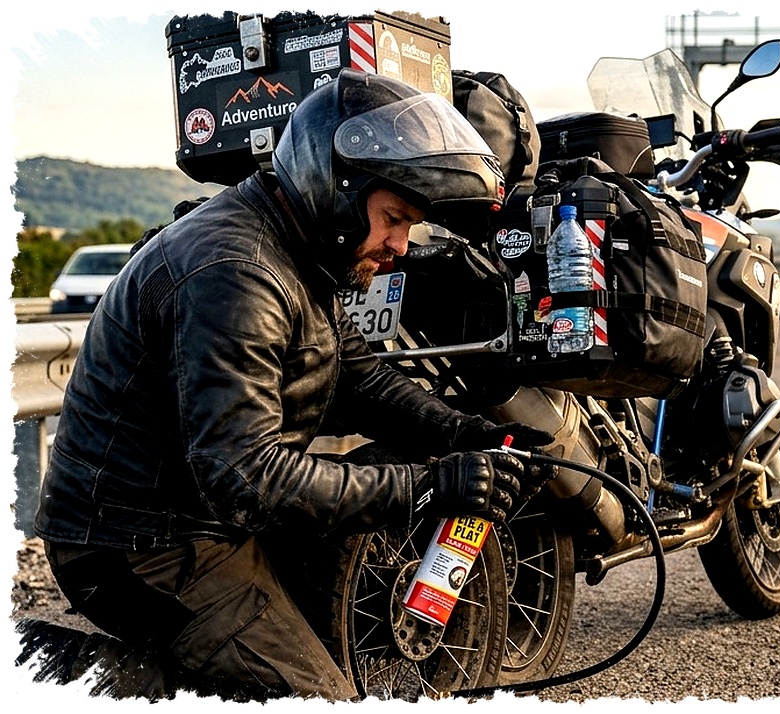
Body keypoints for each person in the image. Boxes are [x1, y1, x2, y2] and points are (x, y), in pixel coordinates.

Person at [33, 69, 555, 702]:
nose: (400, 245)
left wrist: (466, 434)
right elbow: (246, 476)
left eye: (410, 225)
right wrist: (428, 487)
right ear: (336, 189)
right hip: (142, 545)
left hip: (205, 512)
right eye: (393, 219)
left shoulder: (301, 251)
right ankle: (65, 675)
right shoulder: (240, 274)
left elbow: (359, 377)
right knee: (318, 701)